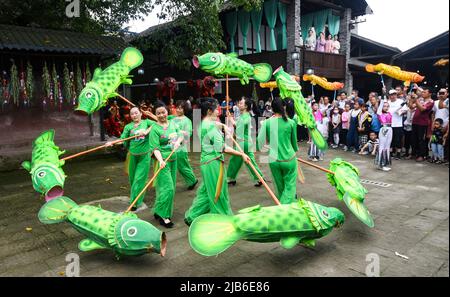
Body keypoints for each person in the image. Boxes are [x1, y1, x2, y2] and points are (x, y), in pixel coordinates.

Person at [184, 98, 250, 225]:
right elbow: (222, 148)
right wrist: (241, 154)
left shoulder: (202, 123)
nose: (218, 112)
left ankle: (192, 216)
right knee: (218, 194)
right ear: (209, 111)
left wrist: (223, 125)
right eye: (216, 110)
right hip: (214, 164)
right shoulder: (210, 127)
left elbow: (213, 125)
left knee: (206, 192)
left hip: (206, 163)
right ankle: (223, 221)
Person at [105, 107, 154, 211]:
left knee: (138, 179)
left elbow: (157, 124)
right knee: (132, 179)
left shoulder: (146, 122)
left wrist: (146, 131)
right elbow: (122, 139)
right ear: (130, 116)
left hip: (144, 156)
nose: (134, 115)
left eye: (136, 113)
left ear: (141, 114)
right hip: (132, 156)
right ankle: (137, 198)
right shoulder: (128, 127)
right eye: (132, 114)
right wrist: (112, 143)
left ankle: (135, 203)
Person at [149, 101, 184, 228]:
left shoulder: (173, 124)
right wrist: (160, 161)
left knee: (167, 188)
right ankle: (164, 216)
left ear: (167, 112)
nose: (161, 115)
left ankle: (158, 210)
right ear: (155, 114)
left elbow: (180, 135)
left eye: (163, 112)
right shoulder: (154, 129)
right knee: (168, 189)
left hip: (173, 159)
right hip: (162, 161)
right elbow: (155, 148)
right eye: (158, 113)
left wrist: (178, 142)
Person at [258, 98, 299, 204]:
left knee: (280, 186)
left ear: (272, 108)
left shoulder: (266, 123)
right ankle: (286, 208)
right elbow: (294, 144)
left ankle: (282, 205)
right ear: (284, 107)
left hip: (274, 160)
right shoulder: (291, 122)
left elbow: (259, 143)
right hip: (289, 159)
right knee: (290, 186)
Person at [227, 97, 264, 187]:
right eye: (239, 103)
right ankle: (259, 178)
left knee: (234, 161)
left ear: (246, 106)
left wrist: (232, 135)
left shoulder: (244, 117)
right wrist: (230, 118)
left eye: (241, 103)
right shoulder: (246, 115)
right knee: (249, 161)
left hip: (242, 142)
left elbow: (239, 131)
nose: (239, 104)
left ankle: (231, 178)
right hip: (247, 142)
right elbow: (238, 125)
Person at [169, 100, 198, 190]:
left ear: (184, 109)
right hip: (171, 146)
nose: (178, 110)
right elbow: (161, 120)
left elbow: (188, 133)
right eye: (177, 108)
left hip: (181, 147)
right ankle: (191, 180)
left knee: (183, 166)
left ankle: (192, 180)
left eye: (181, 108)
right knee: (177, 166)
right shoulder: (172, 118)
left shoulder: (187, 120)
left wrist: (179, 131)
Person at [378, 89, 405, 160]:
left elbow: (405, 110)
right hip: (388, 125)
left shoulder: (401, 102)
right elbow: (382, 110)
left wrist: (401, 112)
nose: (393, 96)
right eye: (391, 94)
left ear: (396, 94)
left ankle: (398, 153)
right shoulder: (387, 103)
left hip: (398, 124)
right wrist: (383, 92)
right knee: (390, 140)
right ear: (389, 95)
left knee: (398, 139)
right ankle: (390, 153)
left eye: (394, 94)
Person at [412, 87, 434, 162]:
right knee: (415, 139)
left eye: (424, 92)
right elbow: (411, 106)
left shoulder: (431, 102)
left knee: (422, 140)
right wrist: (411, 99)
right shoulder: (421, 100)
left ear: (429, 94)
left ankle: (422, 155)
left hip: (423, 123)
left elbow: (422, 109)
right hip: (415, 122)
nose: (422, 93)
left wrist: (416, 100)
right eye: (422, 92)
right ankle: (416, 154)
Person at [376, 102, 393, 171]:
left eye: (387, 106)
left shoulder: (389, 113)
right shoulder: (380, 113)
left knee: (387, 147)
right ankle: (381, 164)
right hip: (384, 129)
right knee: (382, 147)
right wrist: (383, 98)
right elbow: (379, 108)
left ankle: (385, 163)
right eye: (384, 106)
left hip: (390, 129)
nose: (386, 107)